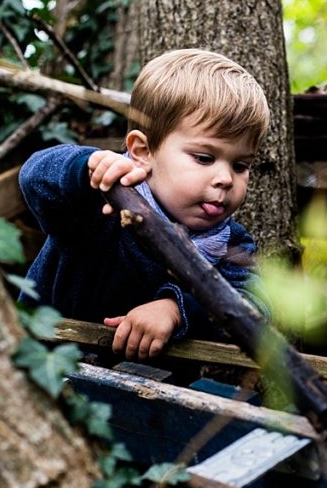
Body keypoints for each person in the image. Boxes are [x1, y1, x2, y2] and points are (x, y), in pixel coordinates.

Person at [19, 49, 271, 360]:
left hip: (150, 392)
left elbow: (254, 305)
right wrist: (86, 169)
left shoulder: (225, 242)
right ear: (142, 150)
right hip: (50, 368)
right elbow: (35, 178)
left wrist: (175, 309)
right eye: (204, 158)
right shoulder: (101, 204)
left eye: (240, 166)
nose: (225, 179)